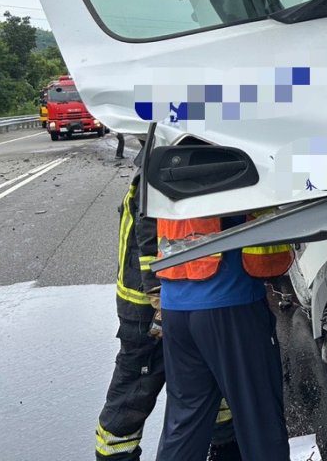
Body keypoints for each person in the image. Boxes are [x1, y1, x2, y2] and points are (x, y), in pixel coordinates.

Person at [95, 173, 240, 461]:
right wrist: (160, 301)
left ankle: (225, 449)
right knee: (132, 397)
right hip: (147, 311)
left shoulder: (162, 164)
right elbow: (151, 240)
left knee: (209, 388)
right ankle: (115, 455)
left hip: (180, 301)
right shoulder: (157, 172)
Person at [155, 212, 293, 461]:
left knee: (184, 424)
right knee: (259, 421)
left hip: (175, 302)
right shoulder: (230, 170)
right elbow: (298, 179)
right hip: (230, 302)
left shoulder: (164, 171)